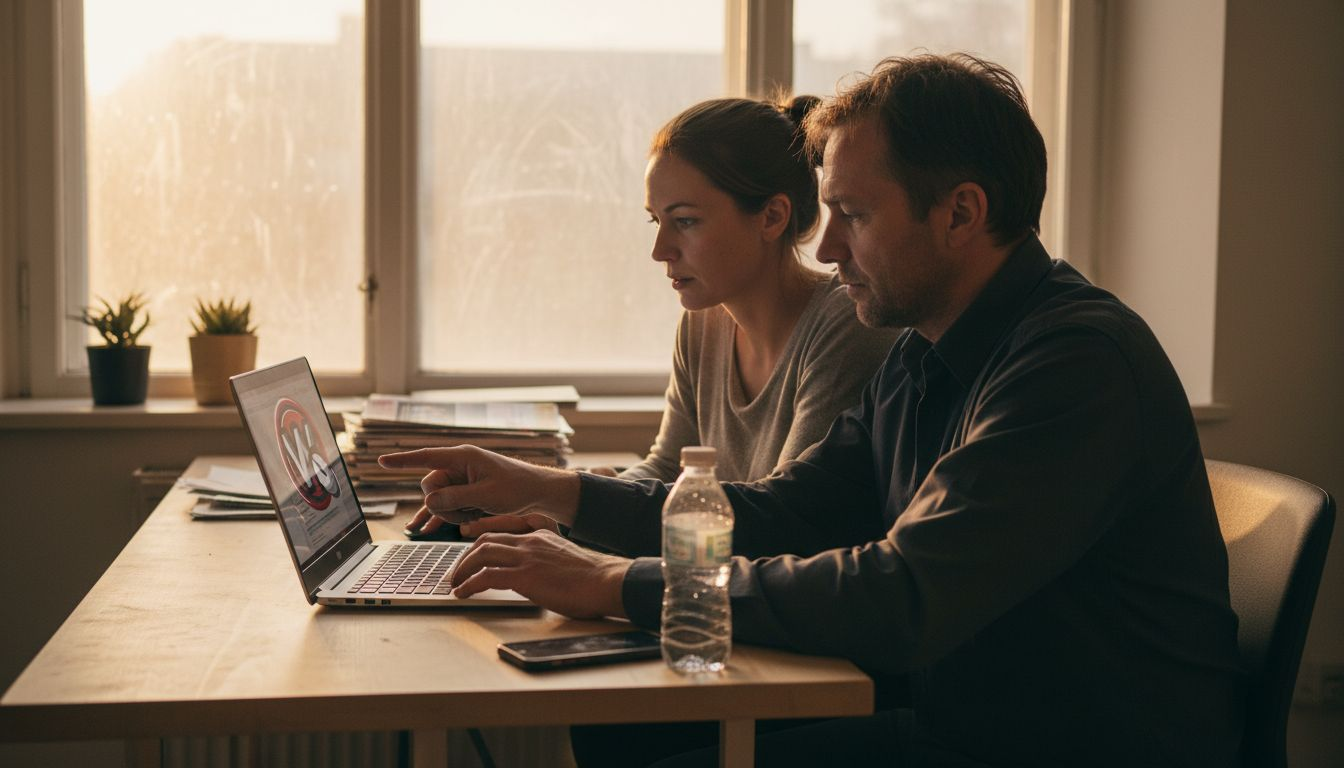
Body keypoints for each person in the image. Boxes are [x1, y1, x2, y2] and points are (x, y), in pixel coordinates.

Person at [381, 54, 1244, 767]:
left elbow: (904, 594)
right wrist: (561, 495)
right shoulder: (924, 349)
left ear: (962, 213)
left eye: (853, 216)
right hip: (965, 719)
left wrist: (616, 582)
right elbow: (785, 509)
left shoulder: (1073, 366)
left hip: (1061, 745)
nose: (828, 249)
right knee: (626, 731)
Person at [597, 96, 899, 483]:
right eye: (656, 221)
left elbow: (783, 513)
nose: (660, 251)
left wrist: (577, 502)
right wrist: (553, 513)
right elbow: (667, 469)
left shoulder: (845, 328)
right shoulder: (701, 325)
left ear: (772, 217)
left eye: (686, 221)